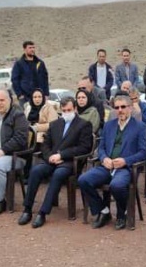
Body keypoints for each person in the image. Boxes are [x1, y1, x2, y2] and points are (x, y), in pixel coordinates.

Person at [19, 97, 93, 228]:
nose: (66, 113)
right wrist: (50, 157)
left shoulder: (84, 124)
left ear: (75, 109)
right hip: (51, 160)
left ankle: (43, 212)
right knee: (35, 171)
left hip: (70, 162)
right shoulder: (55, 124)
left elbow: (84, 147)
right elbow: (45, 144)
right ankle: (27, 209)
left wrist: (62, 155)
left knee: (58, 174)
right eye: (64, 110)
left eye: (69, 110)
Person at [77, 95, 146, 230]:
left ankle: (122, 213)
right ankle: (103, 210)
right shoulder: (109, 125)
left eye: (123, 107)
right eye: (117, 107)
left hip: (125, 168)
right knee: (83, 180)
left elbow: (144, 152)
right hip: (107, 166)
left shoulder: (140, 126)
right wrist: (104, 158)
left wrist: (125, 161)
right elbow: (102, 147)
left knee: (116, 185)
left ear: (130, 108)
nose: (120, 110)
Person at [11, 40, 49, 106]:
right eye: (30, 48)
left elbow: (45, 79)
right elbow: (15, 80)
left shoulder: (40, 63)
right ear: (24, 49)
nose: (32, 49)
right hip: (26, 97)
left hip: (39, 96)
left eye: (33, 47)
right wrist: (20, 95)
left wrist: (46, 94)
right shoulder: (19, 64)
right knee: (27, 115)